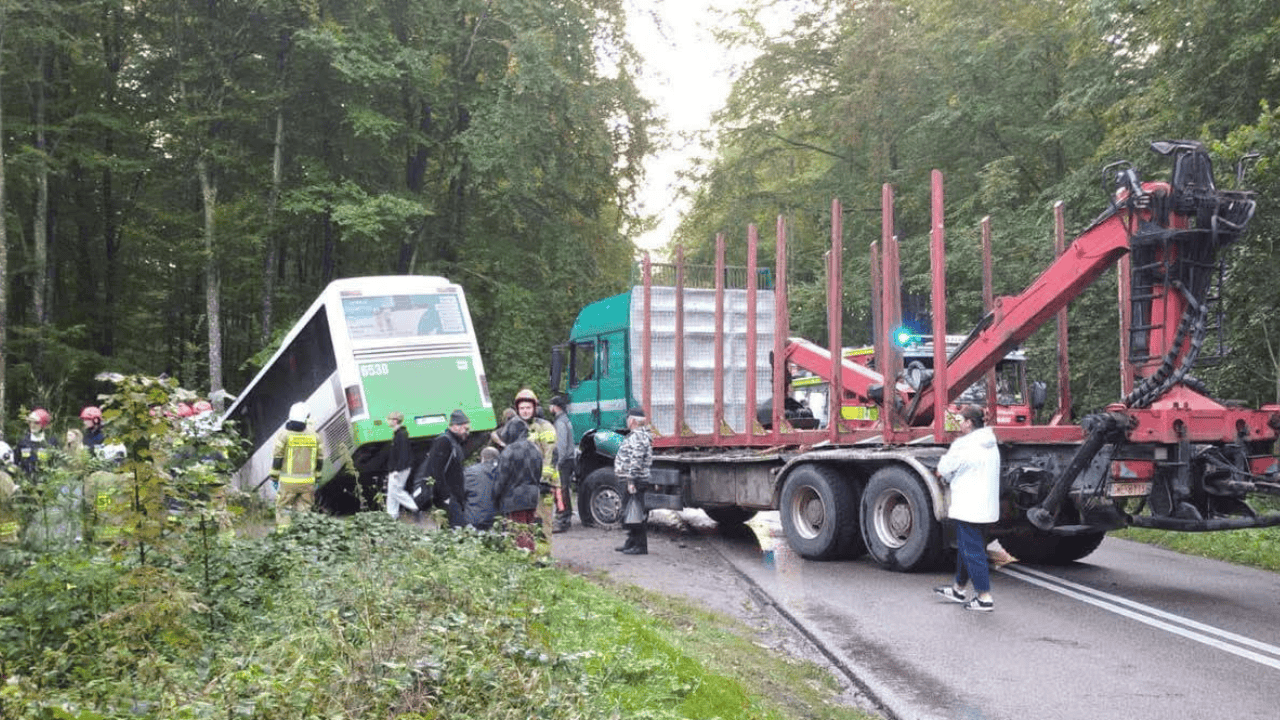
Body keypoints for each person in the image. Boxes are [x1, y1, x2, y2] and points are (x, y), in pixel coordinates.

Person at [933, 404, 1001, 612]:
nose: (959, 424)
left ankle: (984, 597)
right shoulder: (990, 443)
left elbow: (943, 470)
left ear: (969, 423)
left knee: (973, 551)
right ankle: (958, 588)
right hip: (985, 506)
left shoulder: (963, 445)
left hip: (968, 505)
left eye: (961, 420)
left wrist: (941, 473)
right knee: (968, 547)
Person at [512, 389, 559, 542]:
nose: (525, 411)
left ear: (534, 408)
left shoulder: (545, 427)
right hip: (523, 485)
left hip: (542, 486)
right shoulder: (516, 427)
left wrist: (545, 480)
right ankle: (529, 557)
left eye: (528, 408)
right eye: (522, 408)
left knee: (542, 523)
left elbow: (551, 454)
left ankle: (544, 560)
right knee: (524, 524)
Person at [271, 401, 325, 530]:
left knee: (284, 511)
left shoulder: (283, 435)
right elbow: (320, 460)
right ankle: (303, 540)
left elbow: (277, 459)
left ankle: (284, 540)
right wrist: (317, 478)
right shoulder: (314, 436)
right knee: (304, 513)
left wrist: (274, 478)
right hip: (307, 483)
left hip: (287, 484)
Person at [493, 418, 543, 551]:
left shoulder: (509, 451)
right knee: (529, 529)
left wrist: (495, 495)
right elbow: (539, 473)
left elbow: (502, 478)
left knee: (519, 533)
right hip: (532, 495)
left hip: (514, 498)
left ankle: (525, 561)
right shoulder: (535, 449)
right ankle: (532, 556)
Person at [416, 409, 470, 527]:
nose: (467, 432)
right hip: (448, 497)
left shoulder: (454, 442)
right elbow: (436, 471)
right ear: (455, 426)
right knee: (459, 528)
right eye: (465, 429)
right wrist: (446, 497)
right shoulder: (444, 442)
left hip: (455, 496)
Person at [615, 407, 654, 555]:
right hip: (633, 479)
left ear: (632, 421)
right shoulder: (638, 435)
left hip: (635, 480)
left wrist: (631, 480)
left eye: (627, 419)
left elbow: (636, 460)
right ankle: (631, 542)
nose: (626, 421)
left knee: (636, 513)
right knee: (630, 512)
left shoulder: (639, 437)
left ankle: (640, 546)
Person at [383, 411, 419, 520]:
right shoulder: (398, 434)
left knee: (396, 491)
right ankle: (392, 515)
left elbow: (403, 455)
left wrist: (396, 470)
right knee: (391, 491)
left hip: (401, 469)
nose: (388, 421)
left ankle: (414, 508)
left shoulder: (400, 436)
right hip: (398, 469)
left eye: (389, 419)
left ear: (394, 421)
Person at [548, 395, 576, 532]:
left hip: (564, 462)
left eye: (551, 405)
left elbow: (562, 445)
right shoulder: (566, 419)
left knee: (561, 491)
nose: (549, 408)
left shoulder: (560, 422)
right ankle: (566, 517)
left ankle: (562, 520)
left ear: (556, 407)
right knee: (564, 490)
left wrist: (558, 462)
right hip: (569, 460)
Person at [462, 446, 500, 529]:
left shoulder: (469, 472)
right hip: (496, 520)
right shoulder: (502, 473)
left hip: (473, 518)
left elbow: (461, 494)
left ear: (482, 457)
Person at [15, 408, 56, 476]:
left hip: (46, 481)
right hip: (27, 481)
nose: (32, 425)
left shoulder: (51, 441)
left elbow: (56, 462)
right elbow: (16, 460)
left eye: (36, 423)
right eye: (30, 422)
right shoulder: (23, 441)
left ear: (43, 424)